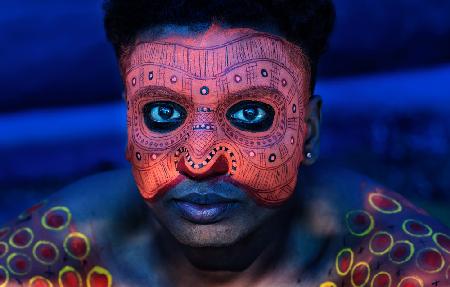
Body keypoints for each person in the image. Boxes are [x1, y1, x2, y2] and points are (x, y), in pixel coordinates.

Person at [0, 0, 449, 286]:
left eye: (251, 113)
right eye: (162, 113)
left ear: (308, 130)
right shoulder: (44, 262)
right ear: (129, 122)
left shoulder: (408, 266)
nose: (199, 161)